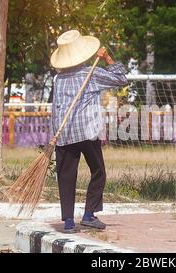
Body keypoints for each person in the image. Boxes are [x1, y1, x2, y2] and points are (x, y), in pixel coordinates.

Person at [50, 30, 128, 232]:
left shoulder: (57, 80)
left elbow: (56, 109)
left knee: (66, 177)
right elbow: (121, 79)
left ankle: (68, 221)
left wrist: (54, 136)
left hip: (64, 133)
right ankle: (89, 214)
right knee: (99, 172)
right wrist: (107, 58)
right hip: (86, 132)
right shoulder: (90, 74)